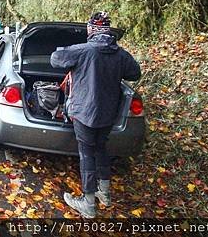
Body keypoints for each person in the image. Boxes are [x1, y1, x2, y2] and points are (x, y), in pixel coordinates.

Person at [50, 12, 141, 218]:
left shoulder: (83, 50)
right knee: (101, 148)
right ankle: (105, 193)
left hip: (85, 112)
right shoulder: (121, 54)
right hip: (108, 113)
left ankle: (88, 203)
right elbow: (135, 73)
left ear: (91, 30)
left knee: (86, 153)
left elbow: (55, 59)